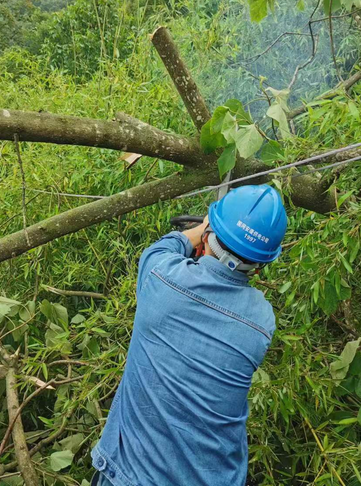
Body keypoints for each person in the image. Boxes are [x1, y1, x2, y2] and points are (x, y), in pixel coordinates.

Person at [91, 184, 288, 486]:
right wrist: (214, 234)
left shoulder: (160, 276)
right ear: (260, 266)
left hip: (132, 476)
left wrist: (201, 229)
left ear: (209, 235)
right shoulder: (261, 322)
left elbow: (164, 247)